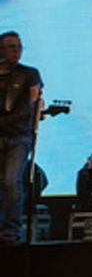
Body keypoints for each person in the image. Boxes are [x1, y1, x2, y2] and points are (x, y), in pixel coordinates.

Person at [1, 31, 43, 246]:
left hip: (17, 135)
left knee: (11, 180)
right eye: (11, 47)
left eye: (18, 47)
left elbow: (33, 103)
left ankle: (11, 231)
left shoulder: (29, 74)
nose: (16, 51)